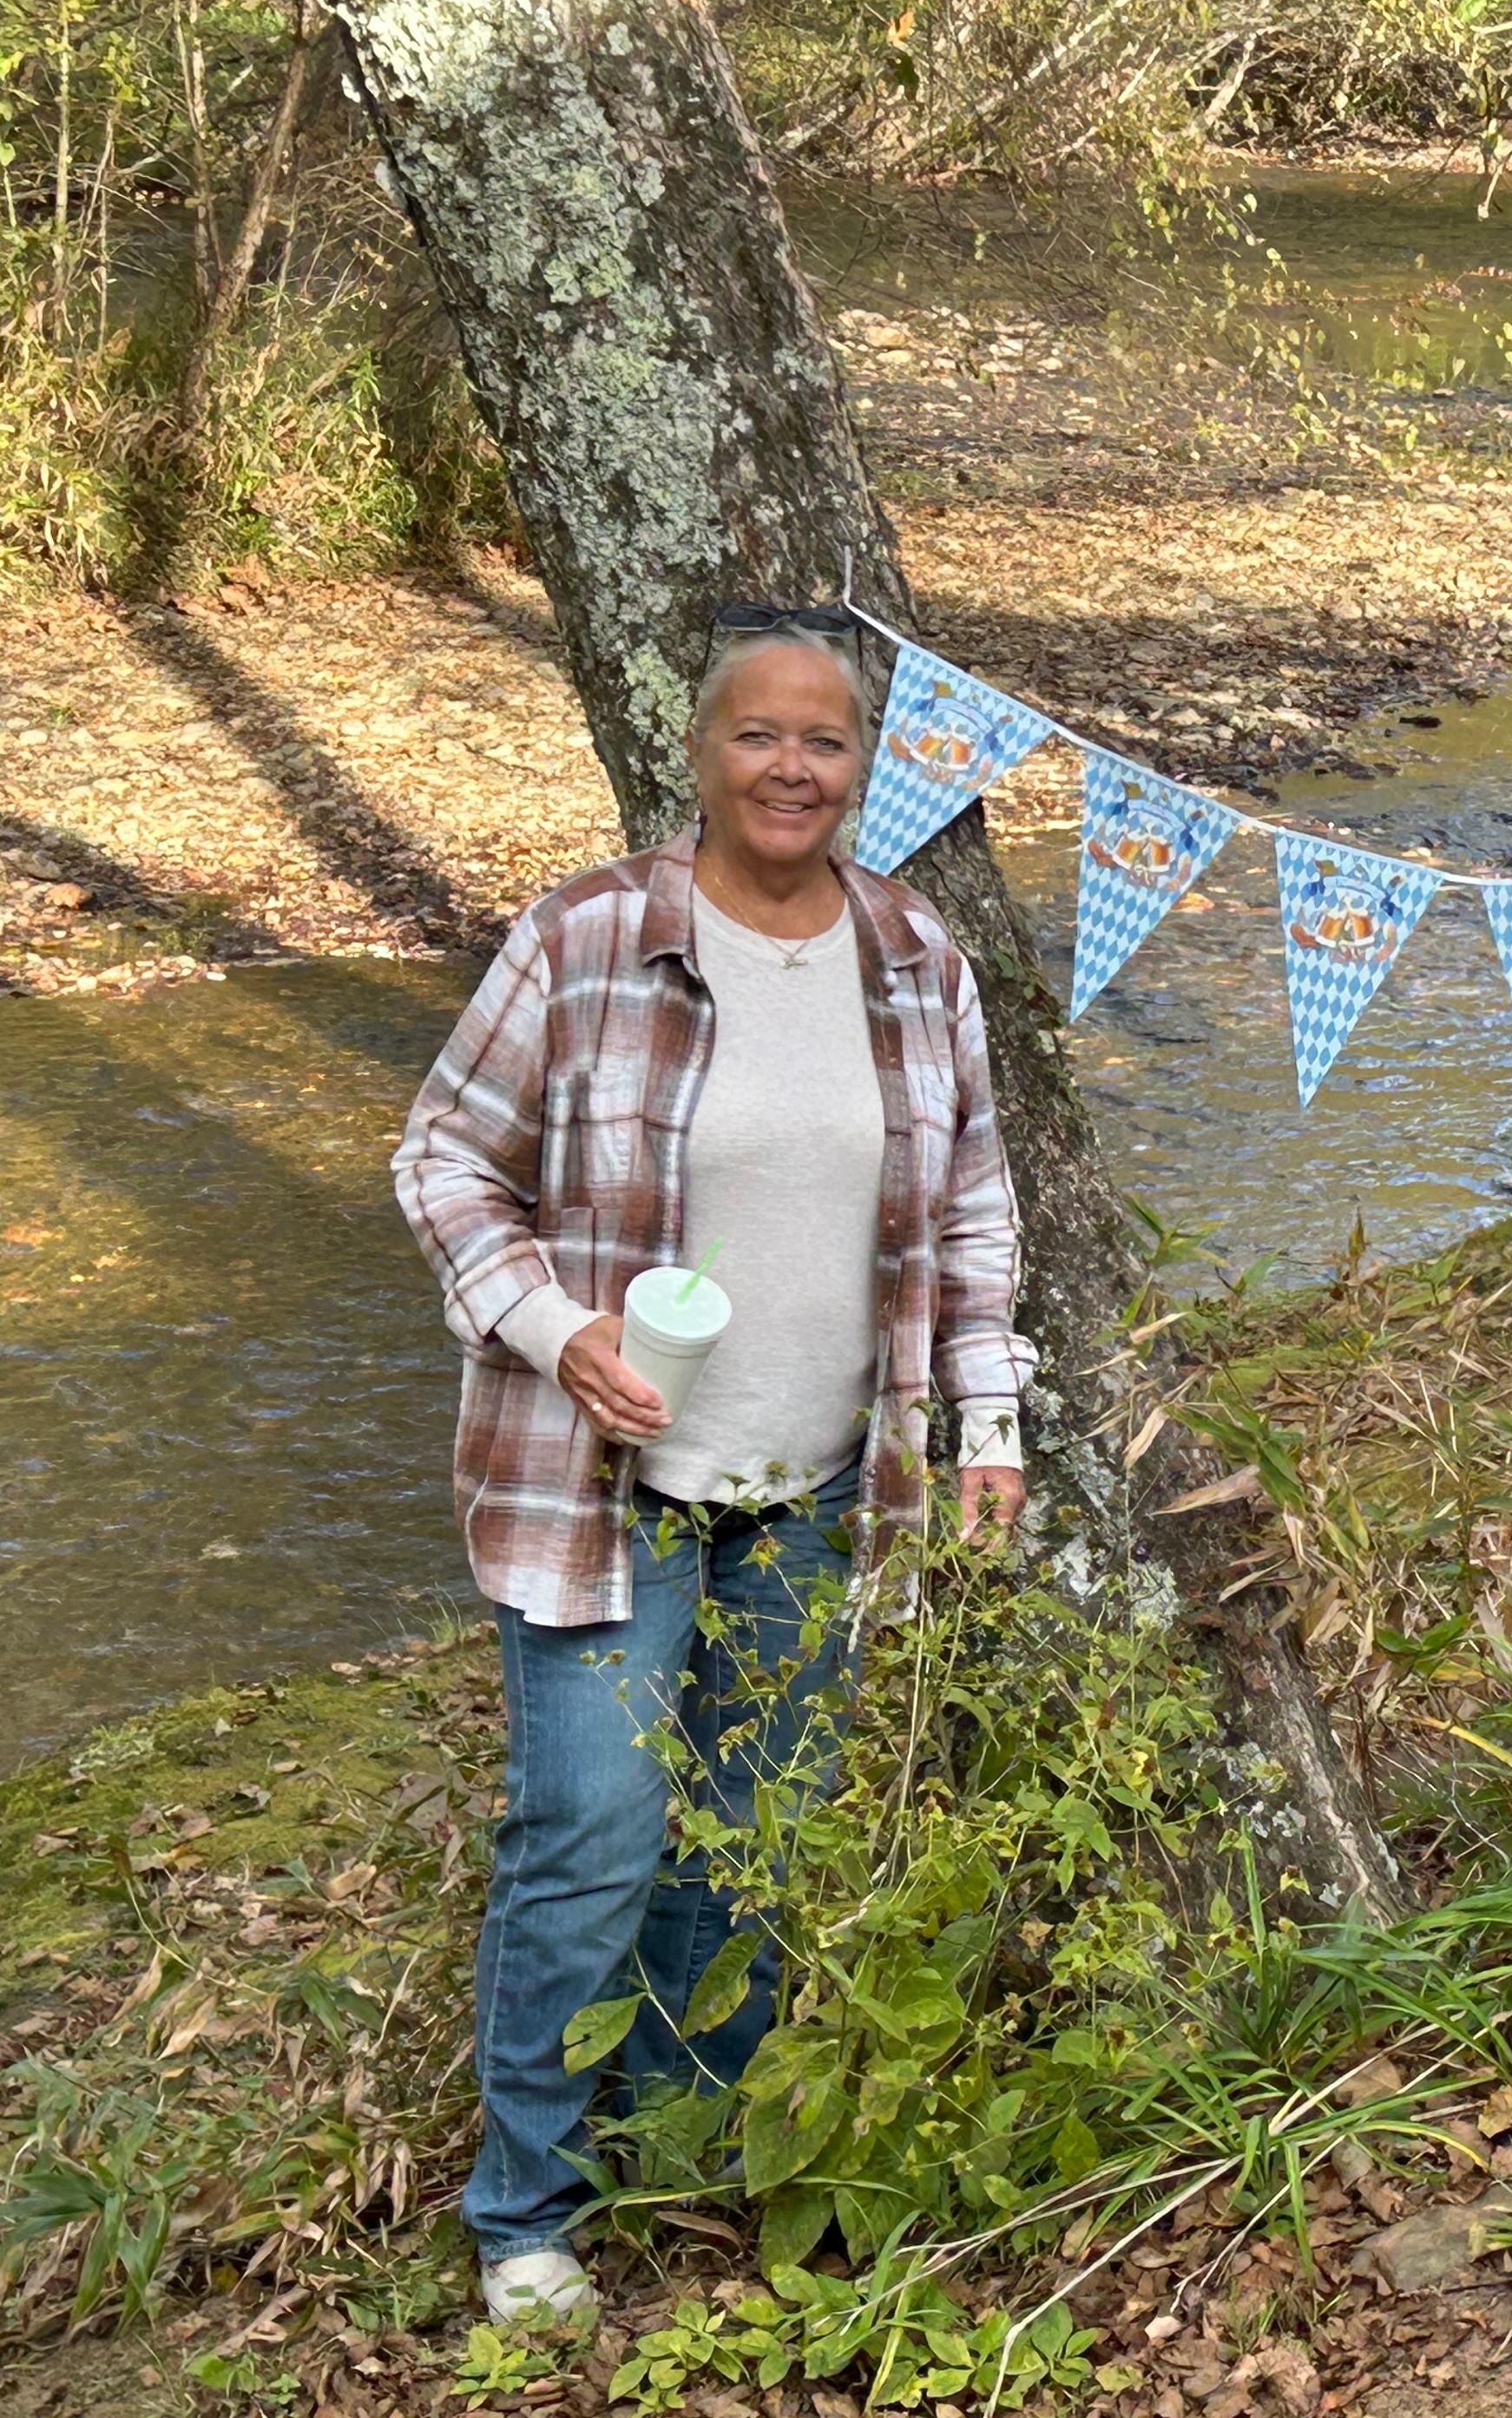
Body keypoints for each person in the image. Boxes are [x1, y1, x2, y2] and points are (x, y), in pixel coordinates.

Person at [393, 612, 1034, 2321]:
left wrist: (986, 1419)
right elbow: (445, 1158)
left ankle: (677, 2146)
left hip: (823, 1484)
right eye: (760, 735)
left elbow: (971, 1213)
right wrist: (551, 1328)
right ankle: (524, 2211)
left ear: (861, 768)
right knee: (594, 1831)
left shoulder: (914, 958)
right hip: (604, 1488)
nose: (792, 767)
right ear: (703, 751)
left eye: (824, 741)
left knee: (748, 1840)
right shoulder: (590, 935)